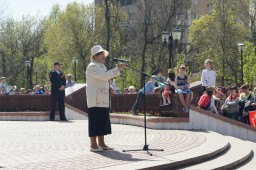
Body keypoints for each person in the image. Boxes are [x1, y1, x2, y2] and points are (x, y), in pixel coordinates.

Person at [86, 45, 126, 152]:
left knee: (102, 121)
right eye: (101, 54)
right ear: (95, 56)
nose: (104, 55)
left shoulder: (101, 66)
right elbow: (104, 76)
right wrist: (118, 69)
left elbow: (104, 79)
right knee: (95, 122)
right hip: (95, 100)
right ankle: (93, 145)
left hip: (102, 98)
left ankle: (102, 143)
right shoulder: (92, 66)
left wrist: (109, 88)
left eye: (104, 53)